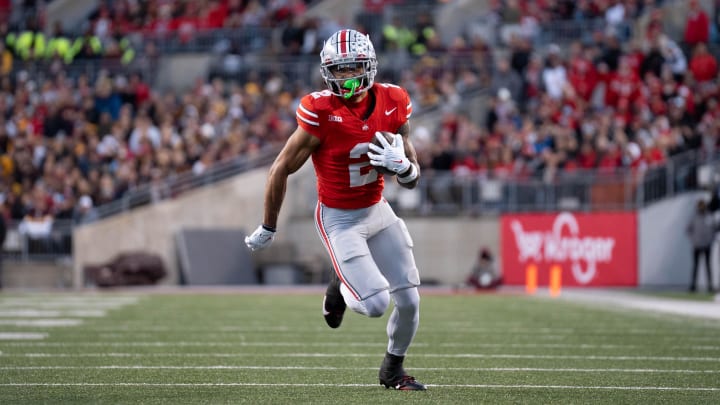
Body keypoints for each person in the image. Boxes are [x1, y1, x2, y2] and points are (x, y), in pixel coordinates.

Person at [245, 29, 426, 391]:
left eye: (353, 68)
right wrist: (268, 225)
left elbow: (412, 180)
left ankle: (393, 370)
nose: (346, 78)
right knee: (374, 304)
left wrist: (403, 166)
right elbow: (280, 167)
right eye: (338, 70)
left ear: (370, 65)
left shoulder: (393, 100)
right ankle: (338, 286)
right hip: (339, 218)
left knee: (409, 300)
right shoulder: (320, 111)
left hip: (377, 209)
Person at [686, 199, 716, 293]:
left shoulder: (709, 216)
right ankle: (693, 285)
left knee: (708, 266)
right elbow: (688, 229)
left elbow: (714, 229)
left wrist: (711, 240)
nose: (702, 207)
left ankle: (710, 285)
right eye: (700, 205)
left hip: (707, 245)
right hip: (697, 245)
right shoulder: (694, 216)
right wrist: (693, 240)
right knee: (695, 266)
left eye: (703, 205)